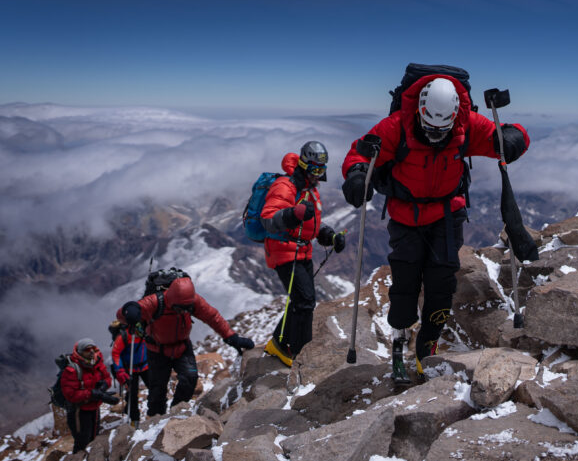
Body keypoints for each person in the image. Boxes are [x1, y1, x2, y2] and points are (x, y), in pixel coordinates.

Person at [341, 75, 529, 381]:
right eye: (429, 128)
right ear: (420, 111)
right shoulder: (395, 126)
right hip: (406, 217)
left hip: (446, 215)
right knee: (405, 284)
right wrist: (357, 174)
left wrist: (511, 140)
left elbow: (514, 132)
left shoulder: (465, 124)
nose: (435, 135)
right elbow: (360, 152)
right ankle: (400, 338)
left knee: (441, 285)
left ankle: (427, 347)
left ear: (454, 116)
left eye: (442, 130)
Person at [260, 141, 346, 367]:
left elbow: (312, 222)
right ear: (304, 164)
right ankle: (299, 353)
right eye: (316, 169)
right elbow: (268, 218)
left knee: (300, 300)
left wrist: (329, 235)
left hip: (301, 250)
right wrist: (293, 213)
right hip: (284, 250)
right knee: (305, 301)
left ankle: (279, 343)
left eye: (323, 169)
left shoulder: (308, 187)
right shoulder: (286, 186)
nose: (319, 174)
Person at [117, 275, 254, 416]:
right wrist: (128, 311)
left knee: (190, 379)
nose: (183, 312)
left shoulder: (192, 301)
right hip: (157, 350)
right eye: (180, 308)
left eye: (186, 309)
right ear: (172, 300)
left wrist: (231, 336)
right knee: (157, 391)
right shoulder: (155, 302)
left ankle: (175, 412)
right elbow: (122, 315)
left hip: (181, 347)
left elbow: (212, 317)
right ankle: (154, 421)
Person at [60, 338, 118, 453]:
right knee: (82, 441)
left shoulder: (97, 362)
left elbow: (107, 377)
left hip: (94, 408)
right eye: (87, 350)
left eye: (94, 349)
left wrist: (103, 386)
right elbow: (70, 394)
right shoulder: (72, 370)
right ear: (80, 352)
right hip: (79, 411)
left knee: (93, 437)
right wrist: (92, 393)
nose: (92, 352)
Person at [111, 324, 149, 426]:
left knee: (155, 388)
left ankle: (155, 413)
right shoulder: (125, 336)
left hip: (144, 366)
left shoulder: (146, 332)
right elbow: (115, 353)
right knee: (132, 394)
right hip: (130, 368)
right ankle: (134, 419)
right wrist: (120, 371)